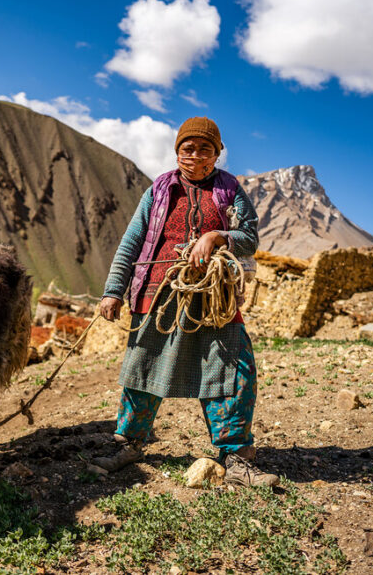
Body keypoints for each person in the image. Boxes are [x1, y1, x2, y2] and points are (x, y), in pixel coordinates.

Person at [93, 116, 278, 487]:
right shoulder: (158, 191)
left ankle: (236, 456)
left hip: (214, 300)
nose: (195, 156)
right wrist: (114, 291)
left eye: (204, 149)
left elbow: (250, 236)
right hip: (157, 297)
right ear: (177, 151)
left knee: (235, 372)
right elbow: (132, 243)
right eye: (187, 148)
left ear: (217, 153)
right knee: (142, 372)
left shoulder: (229, 190)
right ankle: (127, 443)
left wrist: (217, 236)